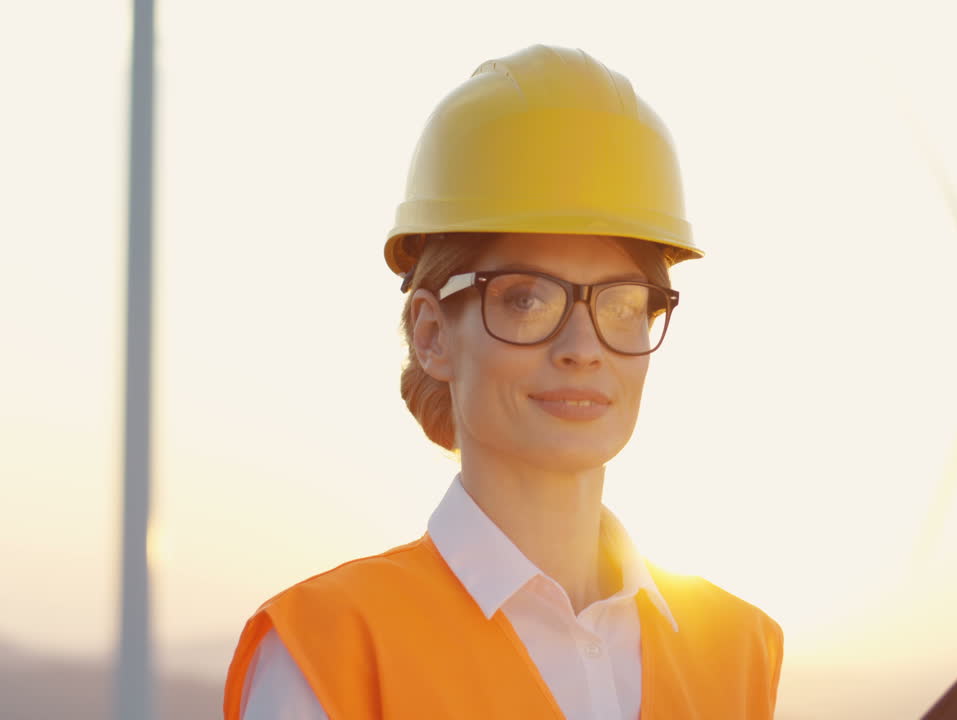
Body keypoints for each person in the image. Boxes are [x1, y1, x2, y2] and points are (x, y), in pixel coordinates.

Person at [222, 44, 783, 720]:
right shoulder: (332, 651)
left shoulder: (738, 652)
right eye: (525, 299)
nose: (582, 349)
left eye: (622, 303)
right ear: (431, 335)